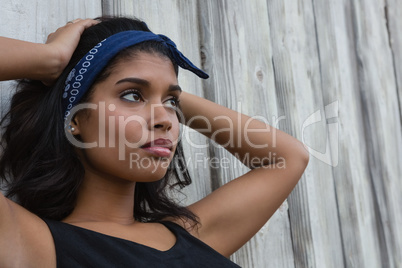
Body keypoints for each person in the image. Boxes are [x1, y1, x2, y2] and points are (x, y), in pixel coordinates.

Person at [0, 17, 309, 267]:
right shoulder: (31, 243)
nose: (165, 119)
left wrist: (161, 91)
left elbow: (288, 157)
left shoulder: (194, 238)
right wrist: (51, 60)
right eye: (132, 95)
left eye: (172, 102)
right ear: (75, 119)